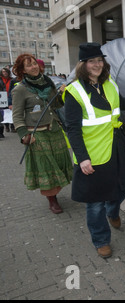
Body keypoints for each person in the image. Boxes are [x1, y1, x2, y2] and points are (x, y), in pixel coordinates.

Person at [63, 43, 125, 259]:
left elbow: (118, 104)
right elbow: (72, 130)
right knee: (94, 203)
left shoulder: (109, 83)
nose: (97, 65)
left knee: (124, 188)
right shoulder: (74, 92)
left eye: (100, 60)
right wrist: (82, 158)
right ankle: (101, 240)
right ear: (83, 65)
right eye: (92, 61)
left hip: (115, 146)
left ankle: (112, 211)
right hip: (92, 154)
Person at [11, 54, 72, 214]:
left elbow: (57, 105)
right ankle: (52, 200)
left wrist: (61, 94)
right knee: (46, 167)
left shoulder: (48, 82)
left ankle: (55, 192)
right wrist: (23, 134)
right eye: (29, 65)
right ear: (22, 70)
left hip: (54, 130)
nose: (34, 67)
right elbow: (16, 115)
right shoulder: (20, 89)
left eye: (34, 64)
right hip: (37, 134)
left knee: (58, 163)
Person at [1, 67, 17, 133]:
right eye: (3, 72)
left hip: (10, 96)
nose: (4, 73)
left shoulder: (12, 80)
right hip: (2, 97)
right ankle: (6, 126)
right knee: (5, 112)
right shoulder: (0, 79)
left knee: (12, 112)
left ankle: (12, 126)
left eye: (5, 71)